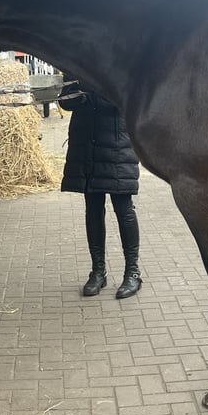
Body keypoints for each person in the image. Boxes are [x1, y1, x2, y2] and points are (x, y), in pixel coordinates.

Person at [59, 80, 142, 299]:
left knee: (124, 210)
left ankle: (132, 272)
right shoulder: (77, 63)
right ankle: (98, 272)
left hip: (117, 146)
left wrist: (98, 89)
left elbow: (131, 99)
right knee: (93, 209)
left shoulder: (119, 59)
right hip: (87, 144)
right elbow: (65, 101)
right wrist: (78, 96)